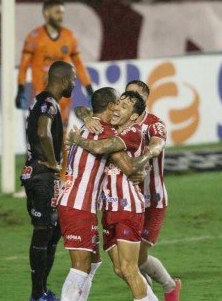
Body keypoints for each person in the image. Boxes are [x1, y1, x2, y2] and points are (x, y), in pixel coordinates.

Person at [76, 80, 182, 301]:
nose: (118, 105)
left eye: (129, 100)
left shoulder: (145, 127)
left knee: (134, 263)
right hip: (112, 204)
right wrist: (87, 117)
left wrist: (143, 159)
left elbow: (157, 144)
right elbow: (86, 108)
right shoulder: (116, 124)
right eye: (121, 99)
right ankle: (147, 292)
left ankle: (167, 287)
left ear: (142, 103)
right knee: (121, 268)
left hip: (144, 201)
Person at [58, 87, 150, 301]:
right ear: (110, 106)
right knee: (81, 266)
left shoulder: (87, 126)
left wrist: (86, 118)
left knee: (94, 263)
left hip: (80, 203)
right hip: (78, 205)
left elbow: (82, 109)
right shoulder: (104, 132)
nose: (119, 106)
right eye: (118, 102)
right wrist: (142, 167)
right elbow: (127, 168)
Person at [21, 61, 76, 301]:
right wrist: (53, 162)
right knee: (44, 232)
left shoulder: (43, 101)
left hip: (41, 176)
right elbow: (43, 132)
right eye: (72, 80)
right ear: (63, 81)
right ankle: (37, 294)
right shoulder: (48, 104)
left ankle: (42, 290)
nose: (73, 84)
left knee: (53, 233)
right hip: (41, 176)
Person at [16, 0, 94, 125]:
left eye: (62, 13)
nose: (61, 16)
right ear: (46, 14)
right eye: (57, 12)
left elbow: (79, 65)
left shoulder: (69, 37)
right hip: (42, 96)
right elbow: (24, 66)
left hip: (64, 97)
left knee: (61, 137)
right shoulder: (34, 38)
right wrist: (20, 90)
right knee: (43, 135)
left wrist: (90, 90)